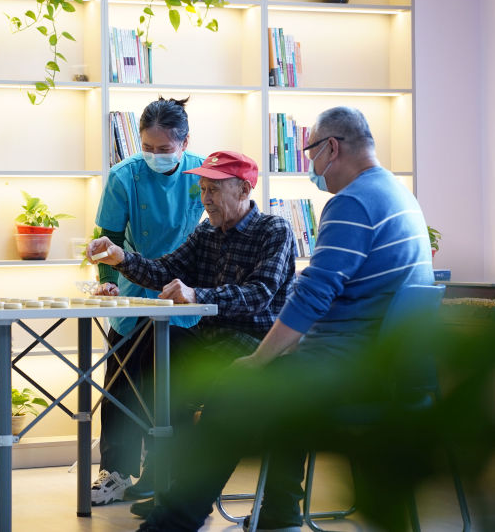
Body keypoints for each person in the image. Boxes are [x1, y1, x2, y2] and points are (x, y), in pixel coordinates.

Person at [136, 106, 436, 532]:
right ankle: (279, 511)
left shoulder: (352, 202)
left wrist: (260, 358)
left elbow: (314, 293)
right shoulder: (398, 195)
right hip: (390, 367)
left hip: (352, 369)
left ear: (332, 148)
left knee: (237, 388)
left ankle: (172, 523)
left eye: (311, 152)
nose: (311, 165)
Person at [87, 150, 297, 517]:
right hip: (211, 342)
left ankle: (180, 489)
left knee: (175, 371)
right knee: (153, 344)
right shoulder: (206, 232)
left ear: (244, 189)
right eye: (202, 189)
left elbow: (260, 293)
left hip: (256, 346)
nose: (205, 199)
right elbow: (164, 270)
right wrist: (120, 257)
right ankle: (168, 479)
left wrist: (198, 295)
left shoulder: (274, 230)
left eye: (214, 189)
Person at [89, 97, 205, 506]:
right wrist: (108, 284)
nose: (155, 155)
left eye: (164, 148)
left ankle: (163, 470)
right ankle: (115, 472)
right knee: (121, 385)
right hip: (134, 287)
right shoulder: (125, 176)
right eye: (148, 148)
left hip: (183, 293)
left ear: (184, 142)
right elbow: (108, 240)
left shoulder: (203, 173)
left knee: (170, 386)